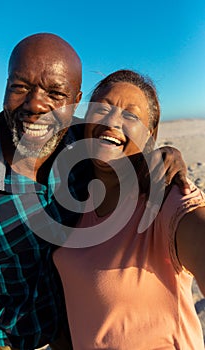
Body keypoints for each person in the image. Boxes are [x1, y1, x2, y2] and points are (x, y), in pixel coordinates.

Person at [0, 33, 190, 350]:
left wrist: (167, 154)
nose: (36, 105)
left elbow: (128, 147)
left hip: (70, 333)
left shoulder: (84, 144)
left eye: (55, 93)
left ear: (76, 100)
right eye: (20, 87)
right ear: (5, 85)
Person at [53, 69, 205, 349]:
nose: (112, 122)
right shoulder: (73, 195)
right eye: (103, 109)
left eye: (130, 115)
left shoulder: (165, 199)